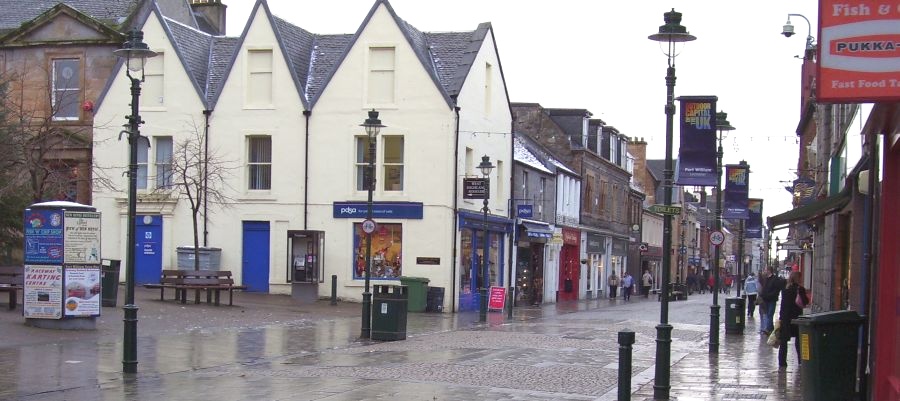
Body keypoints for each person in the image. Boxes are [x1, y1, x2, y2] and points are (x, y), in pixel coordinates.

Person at [778, 270, 809, 367]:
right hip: (796, 318)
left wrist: (781, 317)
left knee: (783, 341)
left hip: (785, 317)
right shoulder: (799, 289)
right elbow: (805, 302)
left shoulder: (785, 289)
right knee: (798, 340)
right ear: (798, 278)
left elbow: (783, 305)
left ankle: (782, 362)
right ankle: (801, 360)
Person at [758, 267, 784, 335]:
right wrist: (763, 295)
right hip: (766, 299)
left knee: (770, 314)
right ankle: (770, 328)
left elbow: (776, 289)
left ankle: (768, 329)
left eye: (766, 270)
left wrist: (770, 295)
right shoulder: (766, 279)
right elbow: (764, 288)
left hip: (772, 299)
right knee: (767, 314)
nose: (765, 271)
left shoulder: (775, 279)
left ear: (769, 271)